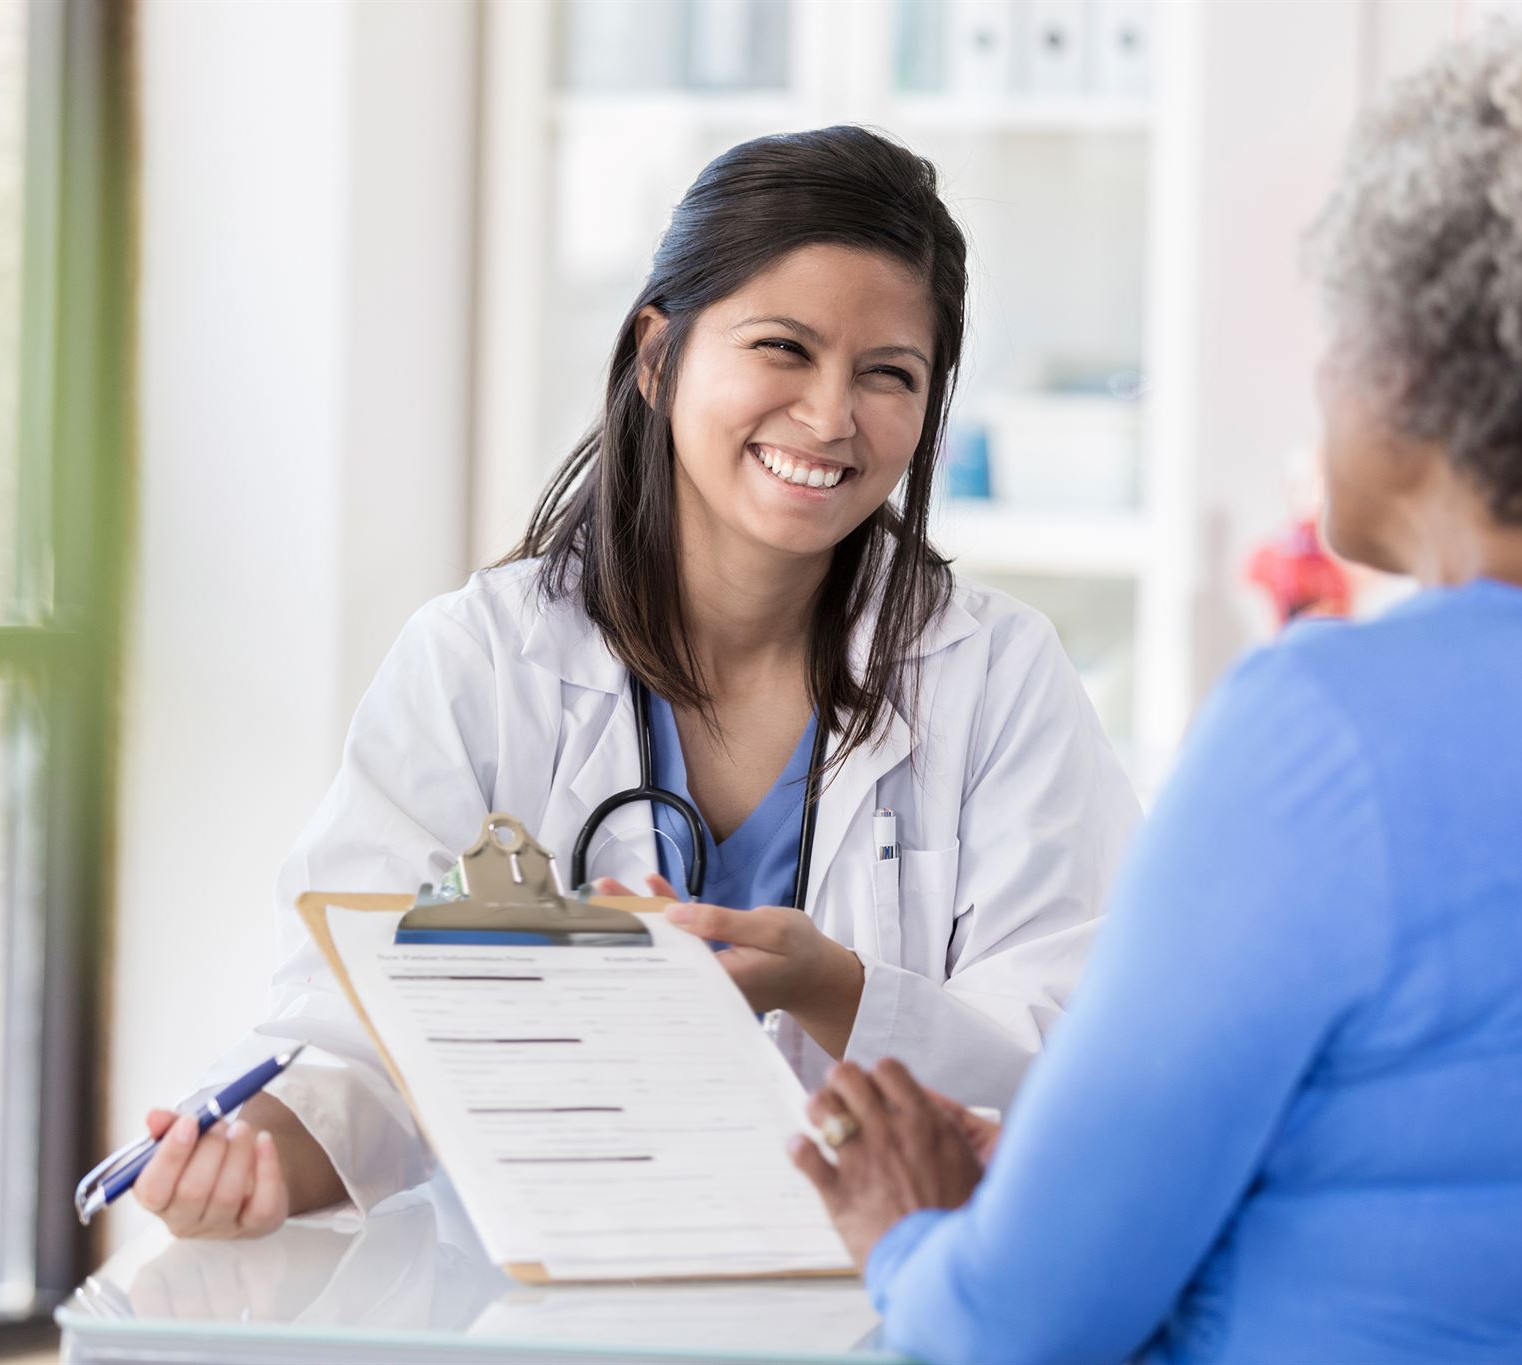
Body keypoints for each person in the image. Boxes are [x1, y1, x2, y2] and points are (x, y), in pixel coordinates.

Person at [789, 25, 1522, 1365]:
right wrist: (1054, 1177)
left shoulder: (1331, 730)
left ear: (1417, 369)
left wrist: (906, 1226)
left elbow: (1011, 1331)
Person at [129, 126, 1142, 1238]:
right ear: (656, 358)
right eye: (783, 349)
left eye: (887, 374)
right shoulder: (480, 662)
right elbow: (359, 1037)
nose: (828, 416)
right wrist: (245, 1160)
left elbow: (1076, 1044)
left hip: (882, 1296)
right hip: (553, 1301)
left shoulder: (993, 676)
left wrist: (828, 987)